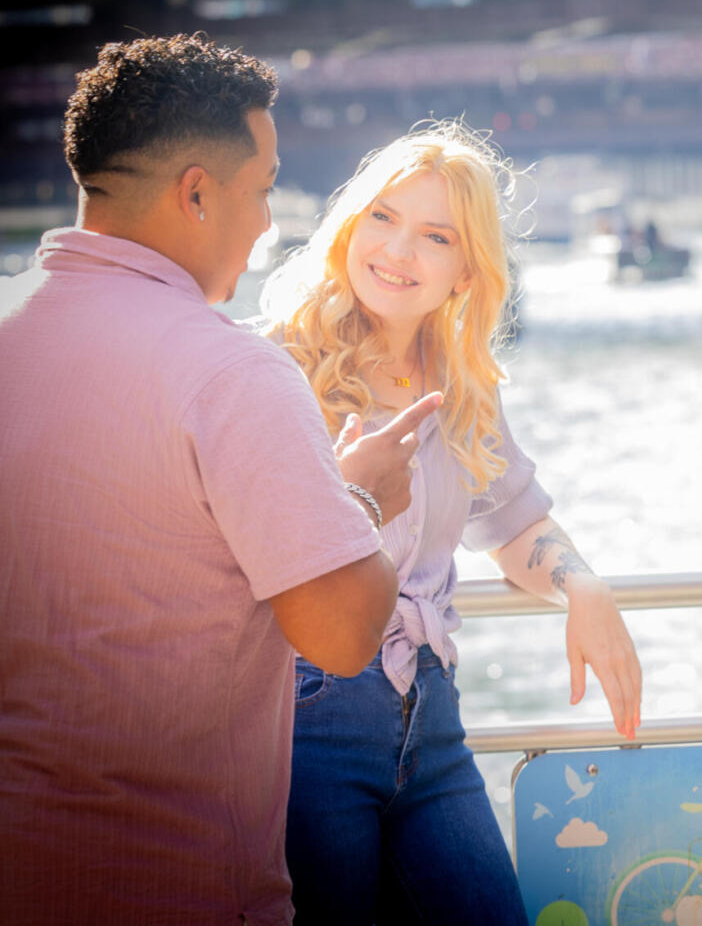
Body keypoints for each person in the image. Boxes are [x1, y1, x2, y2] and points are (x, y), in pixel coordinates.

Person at [0, 34, 427, 924]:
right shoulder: (230, 372)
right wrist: (363, 497)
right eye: (263, 188)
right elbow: (343, 635)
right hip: (177, 881)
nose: (271, 222)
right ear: (197, 191)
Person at [259, 121, 643, 925]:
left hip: (432, 720)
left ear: (467, 270)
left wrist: (583, 585)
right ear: (348, 226)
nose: (399, 251)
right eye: (383, 219)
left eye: (435, 236)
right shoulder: (272, 366)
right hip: (304, 717)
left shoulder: (463, 384)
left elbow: (513, 523)